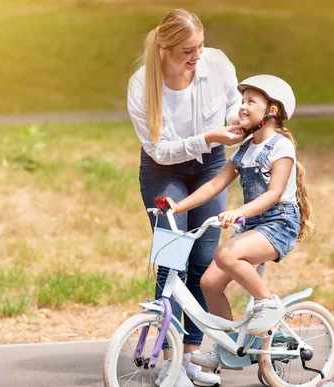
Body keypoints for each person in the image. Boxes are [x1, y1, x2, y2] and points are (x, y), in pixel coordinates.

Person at [127, 8, 245, 387]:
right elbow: (160, 150)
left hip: (210, 166)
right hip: (165, 170)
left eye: (200, 46)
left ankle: (190, 356)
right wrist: (210, 137)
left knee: (201, 259)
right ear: (164, 49)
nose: (197, 57)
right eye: (187, 51)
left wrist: (235, 120)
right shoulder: (142, 85)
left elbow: (231, 100)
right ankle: (169, 361)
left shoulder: (217, 64)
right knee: (171, 259)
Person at [167, 74, 315, 367]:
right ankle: (231, 348)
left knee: (224, 253)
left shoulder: (281, 147)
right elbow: (214, 185)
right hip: (255, 226)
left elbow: (274, 194)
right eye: (242, 101)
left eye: (251, 101)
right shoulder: (245, 150)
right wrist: (177, 206)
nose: (242, 107)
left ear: (271, 111)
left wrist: (239, 211)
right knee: (209, 283)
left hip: (279, 223)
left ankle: (267, 303)